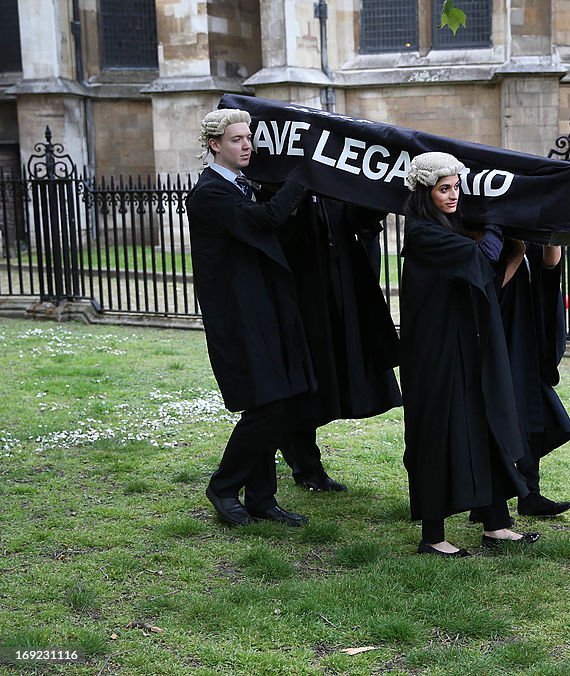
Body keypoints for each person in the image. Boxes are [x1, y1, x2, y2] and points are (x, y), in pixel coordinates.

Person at [399, 151, 538, 557]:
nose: (453, 195)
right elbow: (480, 259)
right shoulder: (424, 232)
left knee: (482, 426)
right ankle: (433, 535)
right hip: (436, 356)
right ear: (426, 193)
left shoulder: (448, 225)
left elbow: (483, 280)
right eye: (444, 189)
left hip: (463, 348)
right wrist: (497, 221)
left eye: (456, 187)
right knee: (436, 435)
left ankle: (496, 525)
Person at [186, 108, 311, 527]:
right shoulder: (210, 194)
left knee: (276, 401)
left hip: (262, 309)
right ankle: (224, 486)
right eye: (237, 139)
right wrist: (301, 178)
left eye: (249, 138)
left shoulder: (243, 187)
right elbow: (268, 219)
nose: (247, 146)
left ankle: (261, 498)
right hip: (236, 315)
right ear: (214, 145)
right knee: (266, 405)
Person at [277, 196, 402, 492]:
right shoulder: (282, 185)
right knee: (304, 385)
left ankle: (303, 460)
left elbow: (360, 220)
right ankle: (304, 463)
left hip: (338, 293)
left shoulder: (331, 185)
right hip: (302, 299)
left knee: (328, 381)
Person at [491, 239, 570, 516]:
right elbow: (489, 286)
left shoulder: (530, 240)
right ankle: (492, 502)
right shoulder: (490, 238)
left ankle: (530, 494)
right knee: (501, 417)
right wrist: (517, 252)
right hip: (498, 338)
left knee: (534, 414)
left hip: (528, 341)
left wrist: (554, 232)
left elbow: (550, 267)